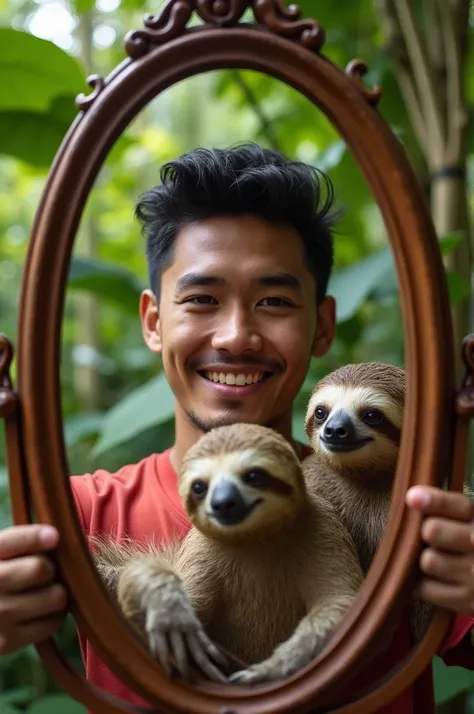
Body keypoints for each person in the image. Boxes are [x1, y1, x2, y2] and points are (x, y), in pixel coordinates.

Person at [0, 143, 473, 714]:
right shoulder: (80, 511)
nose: (234, 336)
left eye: (273, 300)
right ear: (153, 322)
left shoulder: (405, 502)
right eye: (202, 299)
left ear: (322, 327)